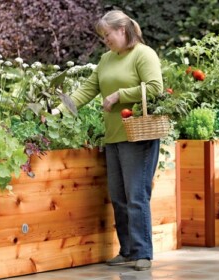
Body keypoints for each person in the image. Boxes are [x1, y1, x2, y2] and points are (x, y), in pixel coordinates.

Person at [52, 10, 163, 271]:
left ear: (122, 30)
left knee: (136, 195)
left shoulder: (143, 54)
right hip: (114, 137)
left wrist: (118, 95)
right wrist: (59, 110)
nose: (106, 41)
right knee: (118, 196)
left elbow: (155, 87)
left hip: (138, 136)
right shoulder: (105, 59)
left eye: (108, 35)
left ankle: (143, 253)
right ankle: (127, 251)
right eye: (103, 37)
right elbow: (88, 90)